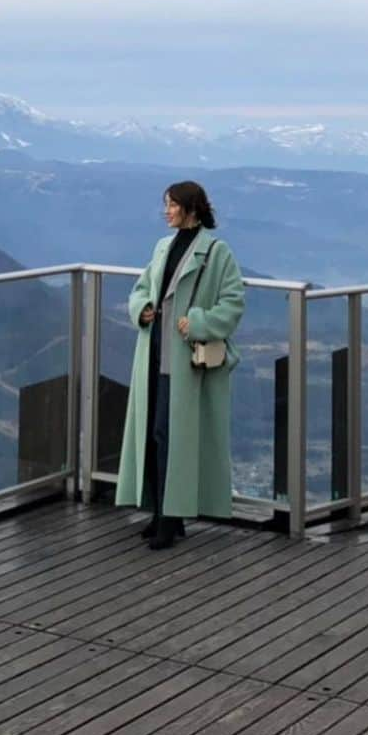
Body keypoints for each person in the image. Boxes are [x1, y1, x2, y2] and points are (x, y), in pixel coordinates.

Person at [115, 181, 245, 549]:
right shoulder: (162, 247)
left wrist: (199, 323)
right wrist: (141, 310)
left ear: (191, 209)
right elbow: (141, 289)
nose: (166, 211)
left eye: (172, 205)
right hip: (153, 354)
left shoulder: (217, 253)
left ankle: (170, 519)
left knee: (168, 436)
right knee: (153, 437)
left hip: (182, 363)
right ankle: (160, 513)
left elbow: (233, 303)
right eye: (166, 205)